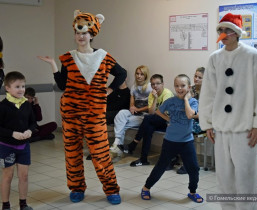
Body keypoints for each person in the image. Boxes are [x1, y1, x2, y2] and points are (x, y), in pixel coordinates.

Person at [38, 10, 126, 205]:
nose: (80, 36)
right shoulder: (67, 58)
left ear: (92, 34)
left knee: (101, 153)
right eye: (78, 32)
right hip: (71, 113)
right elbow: (62, 85)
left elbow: (121, 73)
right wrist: (53, 64)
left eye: (84, 32)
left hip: (95, 114)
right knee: (72, 153)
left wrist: (109, 90)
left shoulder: (103, 57)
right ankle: (77, 187)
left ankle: (111, 189)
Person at [199, 13, 257, 210]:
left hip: (245, 129)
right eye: (221, 30)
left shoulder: (251, 56)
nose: (224, 34)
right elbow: (208, 93)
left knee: (246, 178)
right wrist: (208, 124)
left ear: (237, 33)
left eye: (228, 30)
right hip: (221, 129)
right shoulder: (215, 58)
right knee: (224, 178)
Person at [140, 74, 203, 203]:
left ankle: (192, 191)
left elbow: (190, 115)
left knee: (194, 168)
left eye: (183, 86)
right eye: (177, 86)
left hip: (187, 141)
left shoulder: (193, 102)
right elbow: (156, 112)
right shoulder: (170, 101)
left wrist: (186, 100)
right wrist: (169, 119)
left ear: (189, 87)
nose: (179, 88)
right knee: (161, 166)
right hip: (170, 141)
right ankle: (146, 188)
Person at [118, 74, 173, 166]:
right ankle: (143, 159)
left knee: (147, 119)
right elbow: (151, 112)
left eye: (157, 84)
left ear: (163, 84)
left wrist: (157, 111)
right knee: (148, 128)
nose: (155, 86)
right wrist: (155, 99)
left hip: (168, 121)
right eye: (153, 84)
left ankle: (133, 144)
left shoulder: (167, 93)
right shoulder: (152, 94)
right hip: (156, 119)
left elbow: (162, 112)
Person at [0, 71, 37, 210]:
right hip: (6, 146)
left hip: (23, 147)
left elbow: (33, 123)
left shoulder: (27, 105)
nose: (21, 89)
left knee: (24, 176)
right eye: (17, 86)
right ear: (7, 88)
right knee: (7, 176)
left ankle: (23, 204)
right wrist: (12, 134)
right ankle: (6, 205)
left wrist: (30, 131)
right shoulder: (2, 106)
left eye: (23, 86)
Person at [110, 65, 152, 156]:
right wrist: (132, 108)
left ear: (145, 76)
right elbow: (131, 104)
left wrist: (138, 109)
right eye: (137, 73)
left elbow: (151, 106)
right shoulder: (134, 87)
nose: (139, 76)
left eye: (141, 74)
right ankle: (117, 143)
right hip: (135, 114)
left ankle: (117, 145)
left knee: (122, 125)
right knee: (121, 113)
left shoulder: (150, 87)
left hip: (145, 116)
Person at [176, 67, 205, 174]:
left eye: (199, 77)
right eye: (195, 76)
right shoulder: (190, 89)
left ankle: (189, 164)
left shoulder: (208, 93)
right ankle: (173, 158)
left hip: (202, 122)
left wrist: (190, 115)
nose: (196, 79)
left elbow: (205, 115)